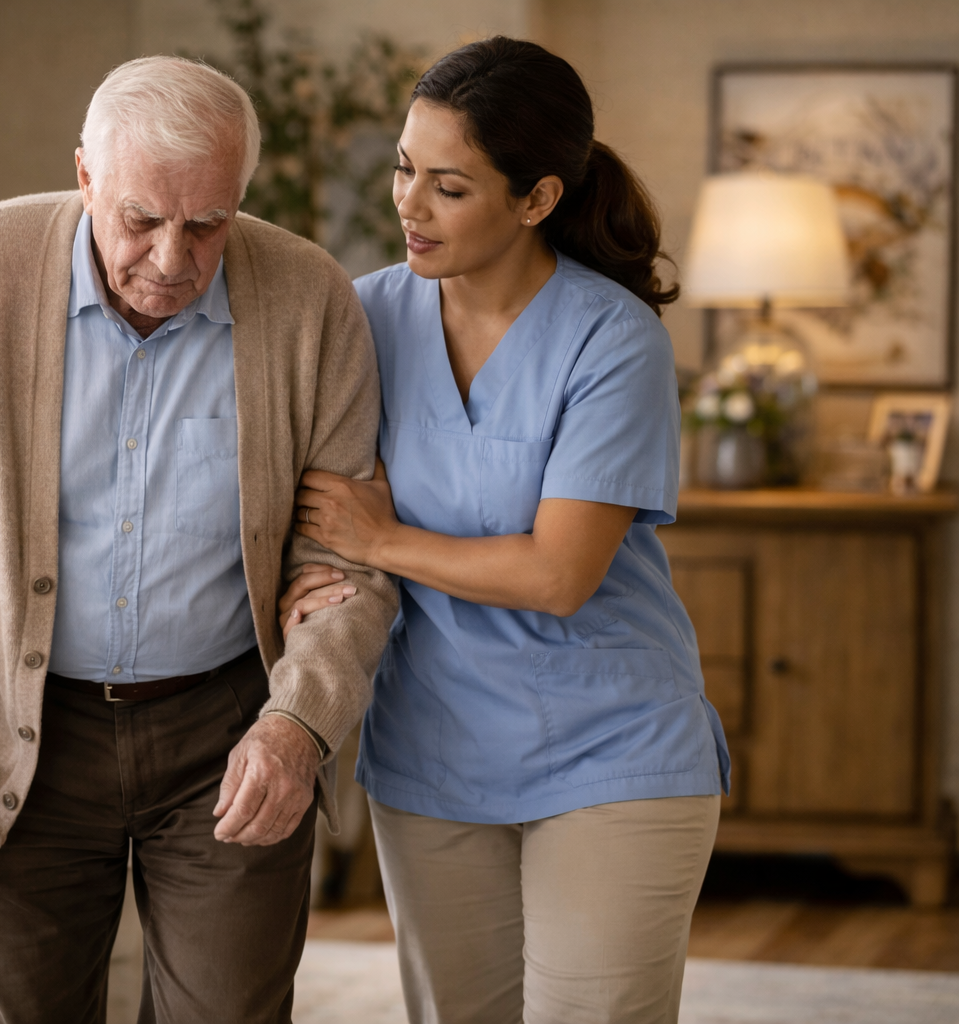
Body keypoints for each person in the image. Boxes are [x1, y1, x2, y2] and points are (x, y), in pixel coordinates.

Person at [0, 56, 397, 1023]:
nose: (172, 259)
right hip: (17, 732)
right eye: (141, 219)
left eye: (207, 224)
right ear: (86, 175)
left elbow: (349, 562)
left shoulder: (310, 302)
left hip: (229, 732)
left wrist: (298, 721)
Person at [282, 37, 730, 1024]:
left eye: (449, 186)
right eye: (406, 168)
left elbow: (560, 573)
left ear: (535, 199)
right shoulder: (359, 318)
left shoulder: (613, 338)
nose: (407, 203)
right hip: (429, 748)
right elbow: (312, 513)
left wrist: (383, 537)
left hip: (611, 747)